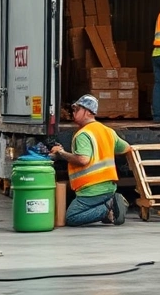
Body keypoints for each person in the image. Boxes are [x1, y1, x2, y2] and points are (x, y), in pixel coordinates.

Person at [50, 95, 130, 227]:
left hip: (91, 189)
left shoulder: (83, 134)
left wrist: (61, 153)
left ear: (87, 111)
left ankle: (109, 209)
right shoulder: (108, 131)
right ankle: (110, 204)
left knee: (72, 217)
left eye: (76, 110)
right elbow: (126, 148)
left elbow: (82, 159)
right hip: (108, 188)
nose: (73, 113)